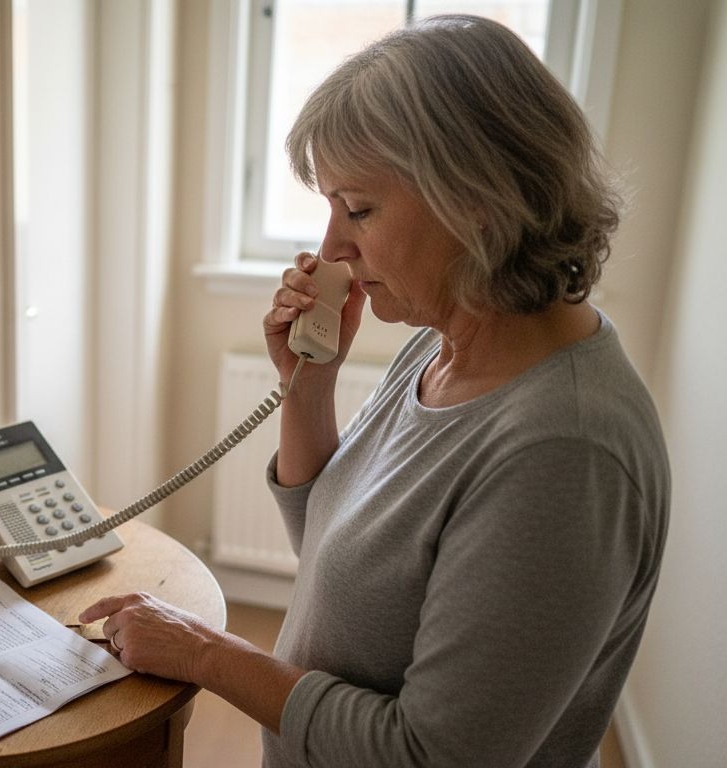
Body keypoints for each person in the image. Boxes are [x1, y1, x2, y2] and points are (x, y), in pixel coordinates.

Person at [80, 15, 669, 768]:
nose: (332, 247)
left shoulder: (564, 453)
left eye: (358, 209)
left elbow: (430, 756)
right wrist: (307, 385)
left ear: (477, 200)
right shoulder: (442, 342)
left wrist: (205, 653)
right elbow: (341, 565)